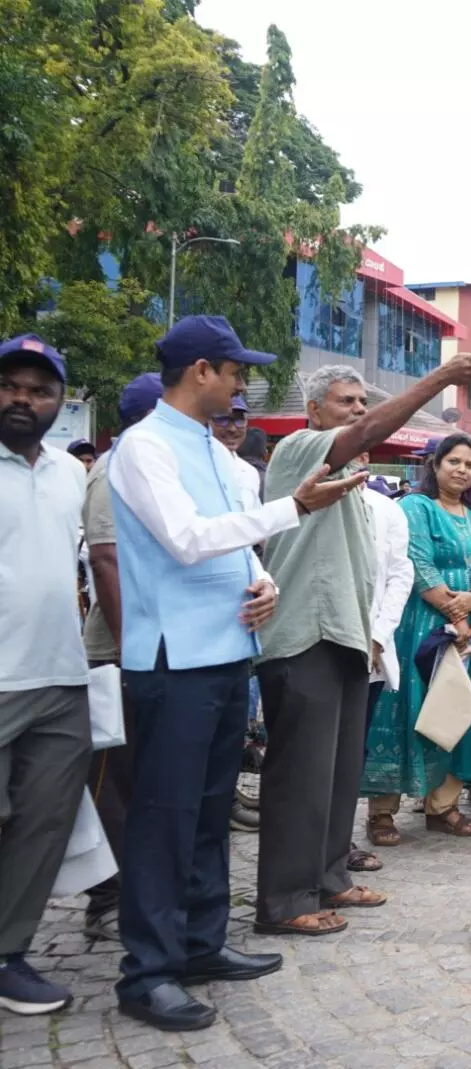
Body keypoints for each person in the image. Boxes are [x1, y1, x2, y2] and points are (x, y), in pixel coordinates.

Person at [107, 316, 363, 1030]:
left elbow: (238, 542)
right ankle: (147, 971)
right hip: (171, 659)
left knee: (213, 808)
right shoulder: (144, 446)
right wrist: (296, 506)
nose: (242, 383)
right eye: (234, 370)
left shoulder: (222, 457)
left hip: (226, 653)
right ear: (200, 372)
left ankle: (200, 941)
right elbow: (186, 539)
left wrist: (263, 581)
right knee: (165, 817)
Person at [254, 355, 471, 938]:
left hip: (350, 642)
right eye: (347, 402)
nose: (360, 413)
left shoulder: (361, 490)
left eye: (363, 402)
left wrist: (375, 639)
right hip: (302, 636)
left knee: (337, 774)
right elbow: (365, 435)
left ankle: (330, 876)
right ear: (314, 412)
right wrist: (440, 380)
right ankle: (284, 901)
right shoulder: (300, 452)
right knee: (300, 777)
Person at [0, 335, 92, 1017]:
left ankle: (9, 954)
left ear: (60, 401)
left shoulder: (69, 473)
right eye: (10, 385)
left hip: (62, 677)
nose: (21, 399)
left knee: (42, 825)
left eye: (38, 389)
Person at [363, 435, 471, 839]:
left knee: (461, 711)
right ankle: (381, 813)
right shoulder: (417, 507)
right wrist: (453, 612)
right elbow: (415, 561)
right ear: (435, 464)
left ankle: (442, 805)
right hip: (422, 625)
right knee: (405, 713)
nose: (462, 470)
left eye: (470, 464)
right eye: (454, 461)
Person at [77, 373, 164, 945]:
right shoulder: (113, 470)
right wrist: (134, 652)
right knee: (114, 781)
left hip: (154, 650)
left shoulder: (153, 467)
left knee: (144, 781)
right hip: (118, 653)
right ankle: (107, 898)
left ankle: (142, 892)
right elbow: (106, 563)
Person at [349, 459, 413, 858]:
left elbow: (398, 574)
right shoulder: (299, 501)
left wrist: (378, 636)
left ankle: (338, 843)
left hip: (369, 648)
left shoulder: (385, 508)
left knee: (353, 747)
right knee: (314, 753)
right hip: (312, 649)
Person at [209, 392, 259, 509]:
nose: (232, 428)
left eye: (239, 420)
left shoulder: (250, 473)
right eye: (222, 419)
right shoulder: (194, 467)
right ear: (207, 421)